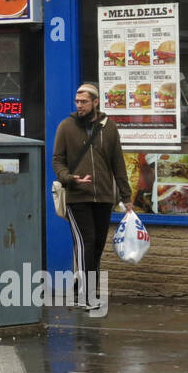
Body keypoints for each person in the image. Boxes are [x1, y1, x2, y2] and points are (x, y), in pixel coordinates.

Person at [52, 83, 133, 309]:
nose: (80, 106)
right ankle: (88, 296)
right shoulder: (66, 127)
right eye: (77, 102)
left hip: (104, 197)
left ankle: (81, 291)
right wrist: (69, 178)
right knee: (85, 243)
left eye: (84, 102)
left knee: (97, 245)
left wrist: (126, 197)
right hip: (77, 197)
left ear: (95, 102)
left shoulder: (109, 128)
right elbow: (57, 159)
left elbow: (118, 163)